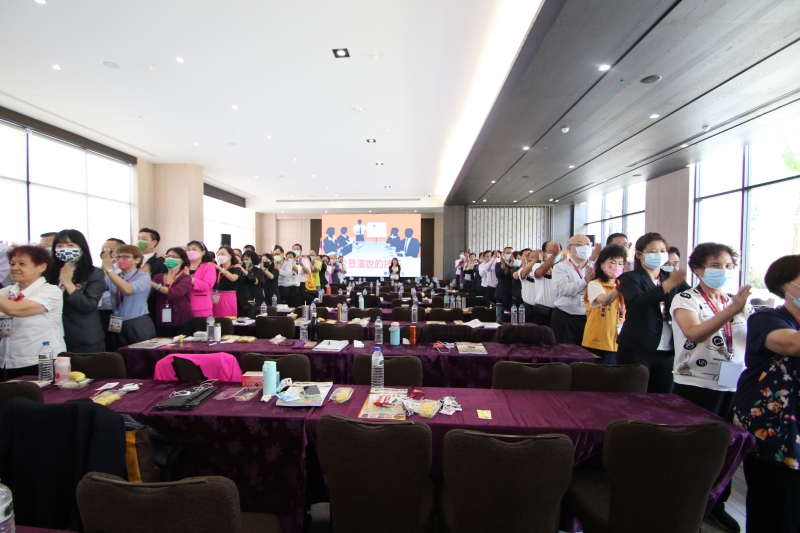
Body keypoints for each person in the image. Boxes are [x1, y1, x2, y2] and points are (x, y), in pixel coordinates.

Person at [671, 242, 752, 532]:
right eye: (716, 265)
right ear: (698, 269)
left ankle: (717, 503)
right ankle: (687, 504)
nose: (723, 271)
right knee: (695, 447)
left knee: (727, 447)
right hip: (695, 382)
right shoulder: (686, 299)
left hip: (732, 383)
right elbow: (694, 333)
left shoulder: (735, 302)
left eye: (728, 266)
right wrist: (732, 311)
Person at [732, 255, 800, 533]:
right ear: (784, 285)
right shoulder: (767, 318)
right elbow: (792, 345)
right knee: (774, 510)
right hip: (775, 430)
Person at [617, 232, 690, 393]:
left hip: (668, 349)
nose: (659, 255)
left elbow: (691, 296)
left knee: (662, 397)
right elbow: (638, 300)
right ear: (639, 255)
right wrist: (668, 284)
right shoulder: (629, 278)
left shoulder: (671, 278)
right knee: (632, 395)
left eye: (662, 251)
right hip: (637, 348)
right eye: (653, 251)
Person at [0, 245, 65, 380]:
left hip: (40, 361)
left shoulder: (50, 291)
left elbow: (16, 309)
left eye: (22, 263)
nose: (15, 268)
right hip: (7, 360)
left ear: (41, 267)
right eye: (12, 264)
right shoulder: (6, 292)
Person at [46, 229, 105, 353]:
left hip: (83, 338)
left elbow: (88, 306)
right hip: (54, 336)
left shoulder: (94, 273)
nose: (64, 249)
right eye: (60, 245)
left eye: (70, 245)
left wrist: (68, 283)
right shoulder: (49, 273)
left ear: (81, 249)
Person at [101, 244, 156, 349]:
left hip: (137, 323)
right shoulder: (114, 277)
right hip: (117, 322)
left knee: (140, 354)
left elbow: (127, 290)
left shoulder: (143, 277)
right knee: (120, 353)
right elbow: (98, 287)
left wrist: (109, 269)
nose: (120, 260)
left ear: (137, 260)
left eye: (125, 256)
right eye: (118, 257)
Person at [582, 245, 627, 365]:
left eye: (620, 263)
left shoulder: (623, 284)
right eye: (612, 262)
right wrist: (621, 286)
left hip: (619, 341)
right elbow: (604, 300)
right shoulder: (595, 284)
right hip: (598, 341)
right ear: (602, 264)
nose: (617, 266)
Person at [551, 235, 596, 344]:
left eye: (588, 244)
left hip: (590, 318)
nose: (585, 247)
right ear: (569, 248)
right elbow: (562, 289)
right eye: (580, 244)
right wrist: (585, 281)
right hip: (566, 317)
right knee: (565, 350)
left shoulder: (596, 267)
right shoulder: (560, 267)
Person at [150, 247, 194, 337]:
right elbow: (150, 294)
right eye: (168, 256)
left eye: (174, 257)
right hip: (162, 317)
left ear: (182, 261)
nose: (170, 259)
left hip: (182, 318)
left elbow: (176, 293)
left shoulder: (186, 278)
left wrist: (155, 285)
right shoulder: (158, 277)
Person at [98, 238, 125, 350]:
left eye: (109, 250)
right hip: (98, 312)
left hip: (115, 311)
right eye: (103, 249)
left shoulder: (123, 271)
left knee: (117, 343)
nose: (105, 252)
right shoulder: (97, 270)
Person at [528, 241, 562, 327]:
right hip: (543, 311)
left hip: (559, 312)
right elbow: (539, 273)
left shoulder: (563, 268)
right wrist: (553, 256)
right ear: (543, 253)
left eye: (558, 251)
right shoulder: (537, 265)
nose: (556, 253)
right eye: (551, 251)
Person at [186, 241, 216, 318]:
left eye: (194, 249)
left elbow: (207, 285)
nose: (190, 251)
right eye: (188, 249)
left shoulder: (209, 266)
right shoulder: (184, 267)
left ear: (203, 252)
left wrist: (190, 279)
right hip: (183, 305)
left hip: (201, 306)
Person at [212, 246, 243, 317]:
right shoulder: (215, 269)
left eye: (222, 254)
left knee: (227, 318)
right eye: (219, 254)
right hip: (215, 295)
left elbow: (233, 278)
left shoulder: (236, 268)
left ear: (230, 255)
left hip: (228, 297)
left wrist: (221, 269)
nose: (220, 256)